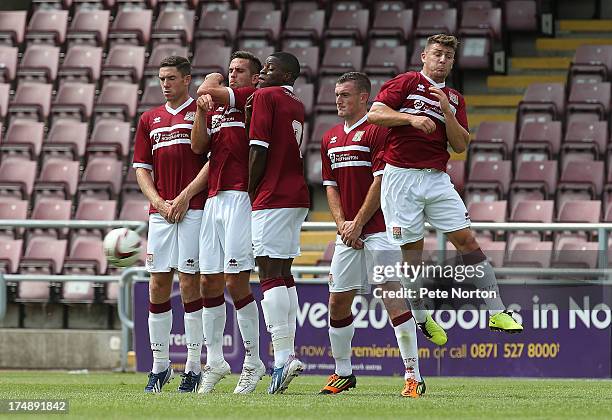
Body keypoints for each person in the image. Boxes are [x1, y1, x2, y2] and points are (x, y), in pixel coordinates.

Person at [366, 34, 523, 337]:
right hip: (401, 177)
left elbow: (461, 144)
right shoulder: (407, 82)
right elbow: (375, 114)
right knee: (413, 255)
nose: (442, 60)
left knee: (467, 241)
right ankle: (423, 318)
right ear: (423, 56)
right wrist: (409, 120)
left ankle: (497, 311)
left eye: (448, 57)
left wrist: (447, 113)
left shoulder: (454, 98)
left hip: (437, 179)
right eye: (437, 54)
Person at [320, 72, 425, 398]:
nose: (339, 99)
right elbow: (331, 187)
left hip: (380, 231)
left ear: (364, 97)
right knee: (337, 302)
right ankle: (343, 373)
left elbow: (380, 184)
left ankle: (413, 376)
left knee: (392, 297)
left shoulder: (380, 132)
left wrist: (359, 223)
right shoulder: (330, 137)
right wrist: (343, 225)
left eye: (346, 94)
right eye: (337, 94)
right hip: (347, 233)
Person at [190, 51, 265, 394]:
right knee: (209, 281)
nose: (233, 75)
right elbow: (198, 146)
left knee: (236, 281)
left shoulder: (253, 99)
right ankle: (216, 360)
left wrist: (210, 85)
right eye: (230, 70)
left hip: (240, 196)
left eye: (240, 71)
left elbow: (207, 85)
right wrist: (202, 113)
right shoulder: (217, 108)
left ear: (254, 77)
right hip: (214, 198)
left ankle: (253, 361)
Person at [133, 56, 208, 393]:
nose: (165, 84)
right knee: (157, 284)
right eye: (161, 78)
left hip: (193, 209)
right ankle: (160, 366)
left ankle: (193, 367)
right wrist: (160, 202)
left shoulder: (202, 113)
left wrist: (184, 197)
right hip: (161, 213)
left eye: (172, 78)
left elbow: (212, 162)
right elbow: (141, 169)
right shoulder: (149, 119)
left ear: (187, 80)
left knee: (191, 283)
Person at [246, 52, 309, 394]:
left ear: (284, 73)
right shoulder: (295, 102)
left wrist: (250, 189)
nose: (261, 73)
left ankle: (283, 357)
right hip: (295, 195)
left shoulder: (266, 97)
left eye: (268, 68)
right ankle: (288, 354)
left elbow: (258, 149)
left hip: (272, 196)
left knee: (267, 273)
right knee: (283, 273)